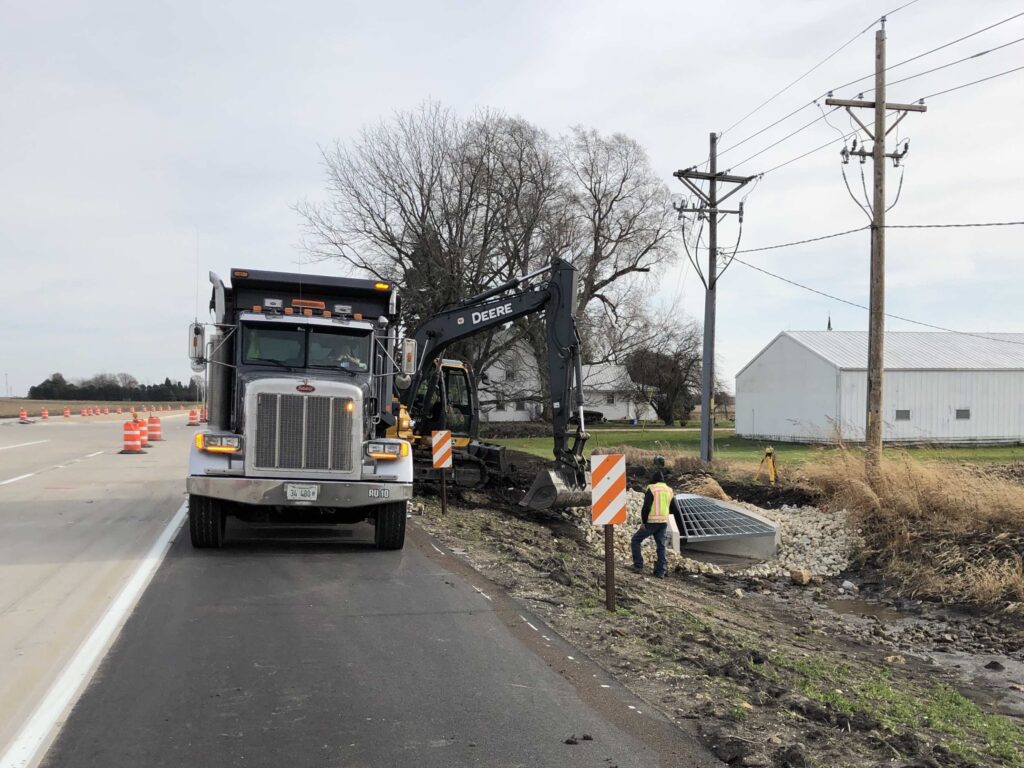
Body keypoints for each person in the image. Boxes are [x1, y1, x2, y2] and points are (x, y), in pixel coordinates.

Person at [631, 461, 678, 578]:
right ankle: (661, 571)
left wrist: (644, 522)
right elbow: (675, 509)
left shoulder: (652, 489)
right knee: (661, 546)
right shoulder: (669, 490)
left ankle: (638, 565)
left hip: (651, 522)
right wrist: (665, 513)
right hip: (663, 522)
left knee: (635, 540)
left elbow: (646, 507)